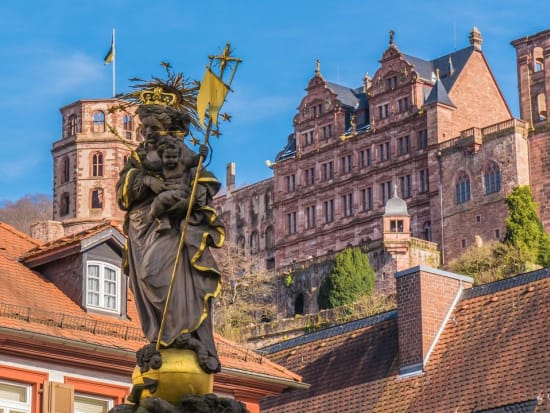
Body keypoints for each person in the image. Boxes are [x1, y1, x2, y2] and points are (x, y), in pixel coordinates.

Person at [116, 104, 224, 374]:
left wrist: (196, 192)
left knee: (162, 275)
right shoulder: (138, 157)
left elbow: (204, 179)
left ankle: (183, 334)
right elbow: (122, 193)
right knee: (145, 278)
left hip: (174, 229)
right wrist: (146, 182)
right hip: (142, 228)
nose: (148, 133)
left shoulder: (180, 152)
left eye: (154, 127)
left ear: (167, 129)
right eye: (145, 128)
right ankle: (160, 336)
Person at [145, 135, 202, 233]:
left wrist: (203, 154)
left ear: (179, 156)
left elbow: (196, 160)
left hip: (180, 193)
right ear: (161, 157)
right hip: (168, 192)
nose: (171, 160)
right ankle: (164, 221)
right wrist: (142, 157)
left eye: (174, 157)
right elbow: (149, 166)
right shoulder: (162, 165)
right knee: (158, 203)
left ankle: (154, 218)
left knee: (160, 200)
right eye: (167, 157)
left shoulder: (184, 163)